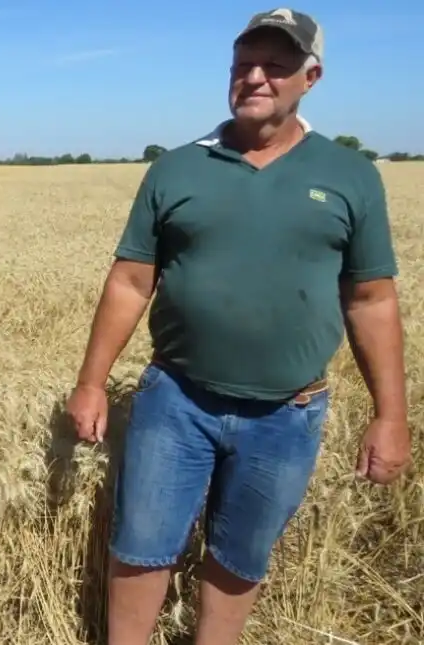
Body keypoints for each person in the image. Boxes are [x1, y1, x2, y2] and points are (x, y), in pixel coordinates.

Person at [65, 7, 412, 645]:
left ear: (311, 77)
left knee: (238, 560)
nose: (255, 76)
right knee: (140, 549)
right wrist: (91, 382)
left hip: (288, 415)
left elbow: (371, 300)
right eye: (243, 63)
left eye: (275, 65)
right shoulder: (177, 169)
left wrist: (391, 415)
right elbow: (130, 281)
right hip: (176, 401)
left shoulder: (348, 175)